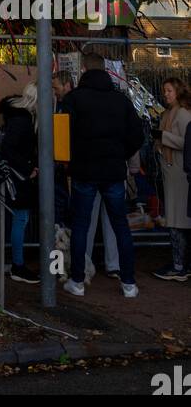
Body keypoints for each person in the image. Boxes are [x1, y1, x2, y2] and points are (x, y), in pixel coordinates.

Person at [62, 52, 143, 299]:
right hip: (113, 171)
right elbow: (137, 136)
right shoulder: (121, 101)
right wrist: (120, 154)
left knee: (80, 226)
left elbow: (62, 136)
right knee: (120, 227)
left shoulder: (73, 99)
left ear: (84, 69)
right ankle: (128, 282)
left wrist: (70, 160)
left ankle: (77, 280)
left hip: (84, 171)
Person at [0, 85, 40, 284]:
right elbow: (8, 149)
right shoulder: (24, 121)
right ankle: (18, 265)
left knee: (19, 219)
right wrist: (28, 168)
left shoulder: (17, 118)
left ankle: (18, 263)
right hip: (19, 178)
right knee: (21, 219)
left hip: (18, 176)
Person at [152, 77, 191, 281]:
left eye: (168, 91)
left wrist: (162, 137)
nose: (165, 94)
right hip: (172, 171)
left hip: (179, 173)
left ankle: (179, 265)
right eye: (164, 91)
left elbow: (187, 142)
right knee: (176, 218)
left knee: (178, 218)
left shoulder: (182, 114)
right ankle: (181, 263)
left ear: (177, 91)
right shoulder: (169, 112)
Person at [53, 70, 75, 227]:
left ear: (67, 85)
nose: (54, 92)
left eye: (56, 88)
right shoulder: (58, 104)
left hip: (68, 162)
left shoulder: (70, 105)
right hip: (62, 162)